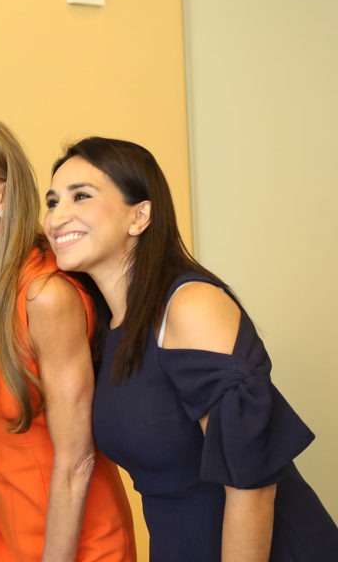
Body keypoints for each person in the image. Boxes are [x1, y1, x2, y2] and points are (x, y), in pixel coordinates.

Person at [43, 136, 338, 561]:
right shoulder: (109, 328)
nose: (57, 217)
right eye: (52, 202)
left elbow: (251, 484)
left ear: (140, 216)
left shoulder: (190, 305)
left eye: (81, 196)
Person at [0, 119, 135, 562]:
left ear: (3, 195)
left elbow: (77, 460)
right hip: (4, 527)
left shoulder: (44, 293)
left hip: (78, 538)